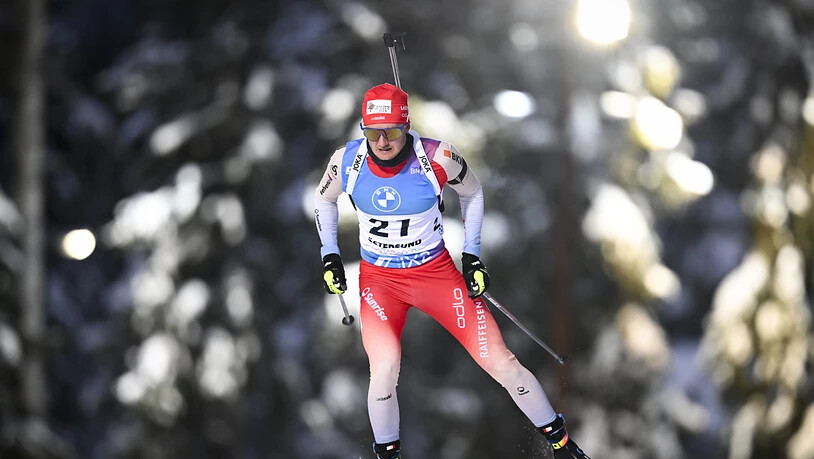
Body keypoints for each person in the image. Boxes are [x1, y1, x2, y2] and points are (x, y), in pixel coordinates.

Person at [313, 83, 590, 459]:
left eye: (392, 132)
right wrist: (330, 254)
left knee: (500, 361)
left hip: (436, 276)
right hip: (381, 282)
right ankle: (388, 455)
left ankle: (561, 445)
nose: (382, 142)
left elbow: (473, 194)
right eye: (373, 133)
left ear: (406, 127)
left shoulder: (438, 158)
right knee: (384, 368)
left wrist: (472, 255)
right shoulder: (346, 162)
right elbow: (324, 201)